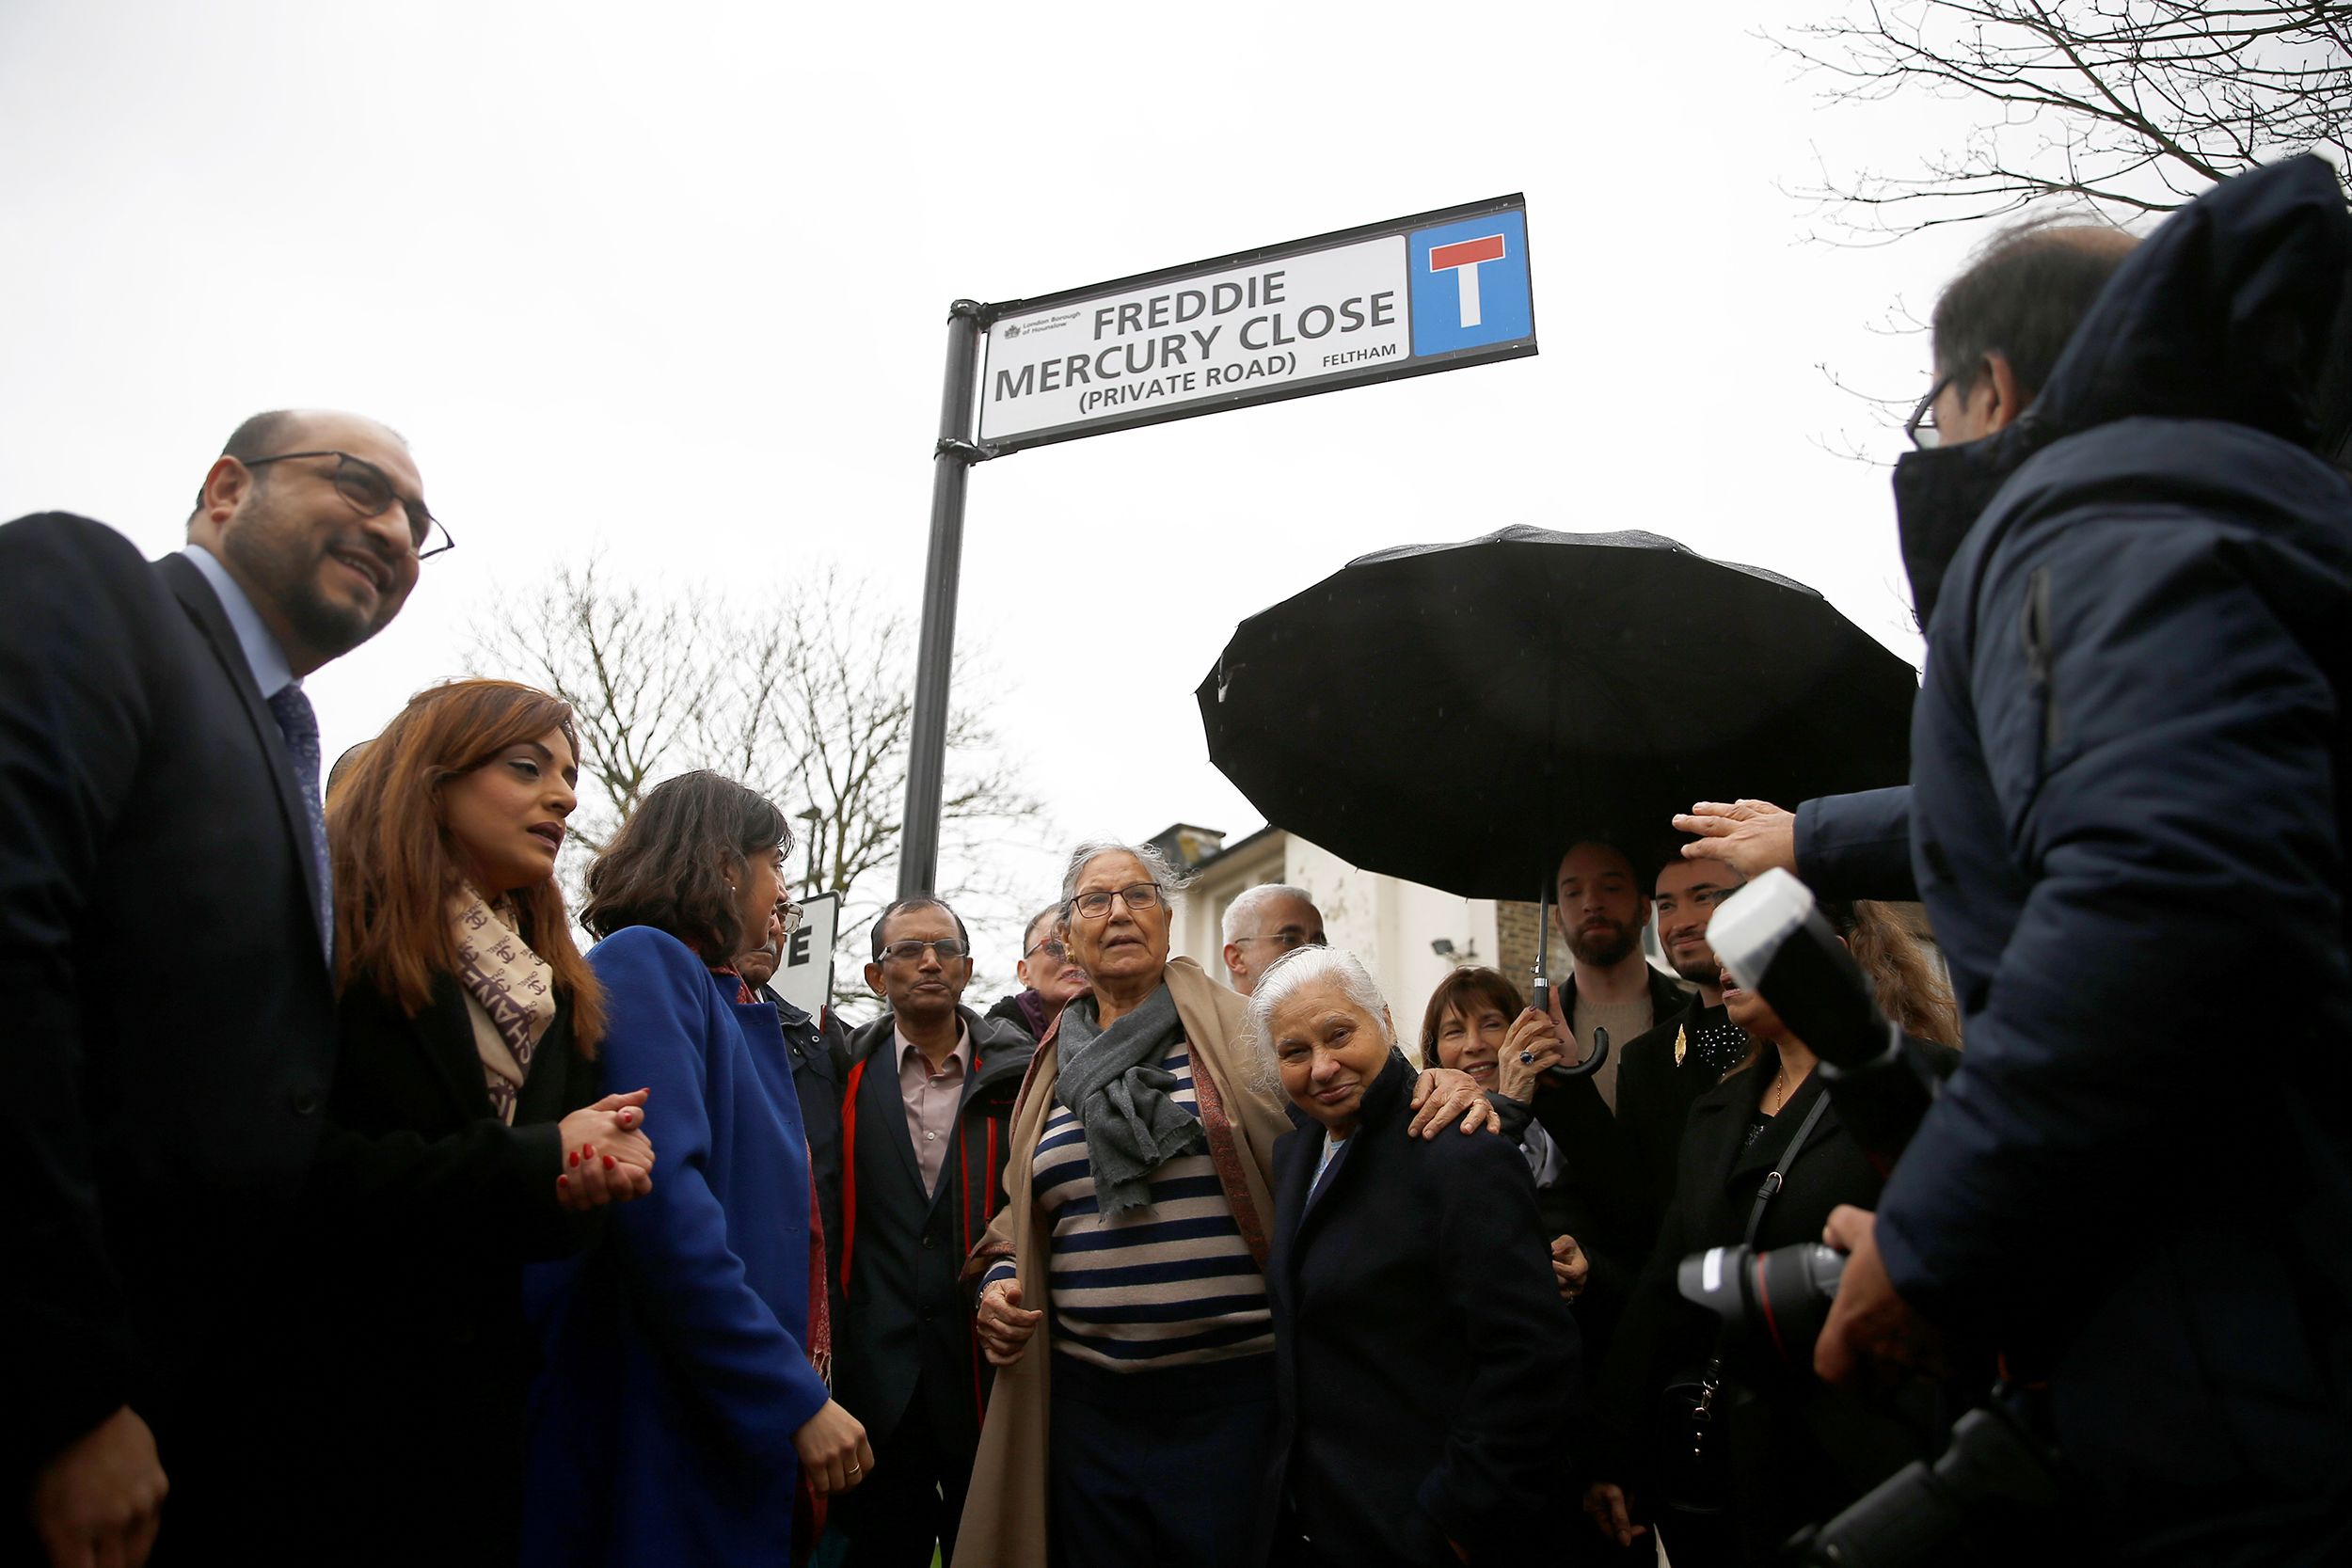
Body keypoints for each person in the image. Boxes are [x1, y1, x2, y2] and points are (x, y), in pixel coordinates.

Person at [1815, 158, 2352, 1561]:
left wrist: (1932, 1241)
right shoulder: (2230, 505)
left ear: (1989, 389)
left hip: (2255, 1393)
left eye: (1932, 411)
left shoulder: (2079, 518)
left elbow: (2169, 899)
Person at [8, 409, 434, 1567]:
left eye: (417, 520)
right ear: (226, 487)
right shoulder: (91, 591)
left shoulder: (279, 738)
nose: (393, 527)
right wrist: (71, 1393)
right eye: (358, 483)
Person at [957, 841, 1494, 1567]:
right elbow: (1021, 1209)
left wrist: (1439, 1084)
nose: (1119, 912)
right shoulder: (1050, 1065)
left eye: (1139, 895)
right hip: (1089, 1417)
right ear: (1067, 934)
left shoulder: (1246, 1031)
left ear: (1169, 920)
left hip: (1235, 1409)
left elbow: (1353, 1098)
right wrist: (998, 1276)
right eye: (1095, 901)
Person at [301, 678, 657, 1561]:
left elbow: (529, 1221)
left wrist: (586, 1180)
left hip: (477, 1417)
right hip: (313, 1398)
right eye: (528, 766)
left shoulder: (553, 985)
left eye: (569, 775)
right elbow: (293, 1168)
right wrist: (545, 1151)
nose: (566, 794)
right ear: (430, 776)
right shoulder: (330, 930)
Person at [523, 771, 868, 1566]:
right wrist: (790, 1393)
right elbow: (666, 1204)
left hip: (711, 1406)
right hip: (661, 1410)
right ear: (722, 866)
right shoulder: (648, 961)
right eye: (774, 861)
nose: (783, 888)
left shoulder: (725, 996)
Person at [1586, 903, 1962, 1565]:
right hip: (1732, 1477)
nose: (1726, 961)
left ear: (1833, 960)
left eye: (1752, 943)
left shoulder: (1924, 1081)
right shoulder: (1715, 1111)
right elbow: (1664, 1289)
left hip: (1875, 1467)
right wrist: (1611, 1449)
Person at [1252, 948, 1581, 1566]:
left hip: (1420, 1530)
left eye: (1340, 1033)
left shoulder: (1460, 1151)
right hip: (1323, 1523)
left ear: (1386, 1020)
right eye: (1294, 1051)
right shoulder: (1295, 1156)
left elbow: (1532, 1357)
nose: (1322, 1066)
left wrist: (1455, 1519)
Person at [832, 897, 1035, 1568]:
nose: (928, 961)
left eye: (944, 948)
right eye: (908, 949)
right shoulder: (841, 1077)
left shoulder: (1021, 1078)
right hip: (876, 1384)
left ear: (968, 968)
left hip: (987, 1371)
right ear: (872, 973)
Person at [1610, 857, 1748, 1234]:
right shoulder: (1643, 1059)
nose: (1681, 922)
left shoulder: (1801, 1034)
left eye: (1703, 897)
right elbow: (1633, 1198)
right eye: (1666, 905)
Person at [738, 895, 850, 1336]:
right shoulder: (690, 1015)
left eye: (784, 914)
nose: (773, 927)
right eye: (763, 906)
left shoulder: (816, 1036)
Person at [1549, 839, 1689, 1113]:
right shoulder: (1537, 1035)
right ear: (1558, 920)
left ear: (1646, 909)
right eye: (1573, 892)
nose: (1591, 903)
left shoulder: (1695, 1015)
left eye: (1611, 887)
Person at [986, 902, 1092, 1040]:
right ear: (1024, 972)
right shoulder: (986, 1042)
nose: (1071, 957)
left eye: (1083, 946)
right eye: (1055, 947)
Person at [1220, 882, 1327, 996]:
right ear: (1236, 959)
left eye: (1318, 943)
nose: (1310, 952)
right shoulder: (1206, 1013)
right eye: (1290, 939)